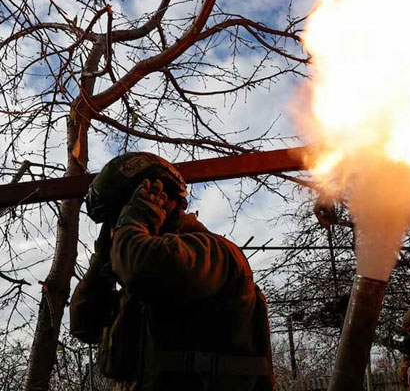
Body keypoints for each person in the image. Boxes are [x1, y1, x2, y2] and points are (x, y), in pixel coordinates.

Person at [70, 152, 274, 391]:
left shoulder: (212, 252)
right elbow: (84, 323)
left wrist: (135, 224)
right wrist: (103, 259)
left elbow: (142, 267)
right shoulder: (144, 288)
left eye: (121, 218)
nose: (117, 229)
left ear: (159, 199)